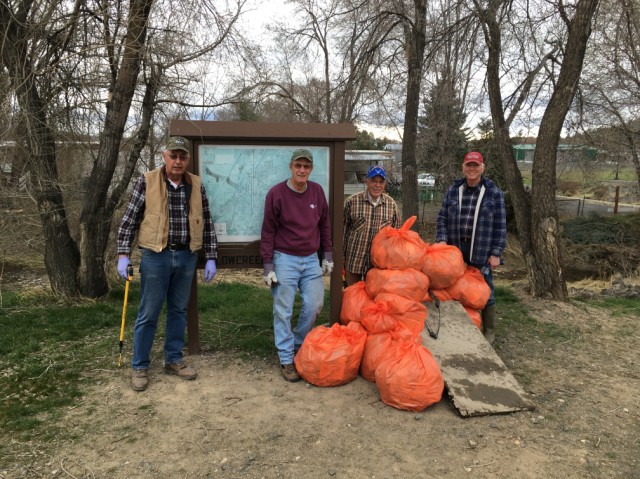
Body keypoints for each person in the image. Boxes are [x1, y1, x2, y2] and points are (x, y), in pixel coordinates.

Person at [117, 136, 218, 391]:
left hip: (186, 256)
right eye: (173, 155)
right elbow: (129, 220)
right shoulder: (147, 181)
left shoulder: (195, 185)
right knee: (148, 313)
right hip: (155, 256)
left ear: (188, 159)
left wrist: (211, 257)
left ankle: (173, 359)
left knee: (178, 311)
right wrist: (123, 255)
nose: (178, 161)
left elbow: (206, 221)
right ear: (164, 156)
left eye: (182, 156)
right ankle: (140, 365)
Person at [260, 148, 333, 382]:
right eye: (298, 166)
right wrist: (268, 266)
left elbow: (325, 226)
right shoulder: (277, 194)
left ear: (311, 169)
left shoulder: (317, 192)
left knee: (314, 305)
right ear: (291, 167)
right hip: (284, 258)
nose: (302, 170)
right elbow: (268, 231)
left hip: (311, 258)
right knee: (283, 310)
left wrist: (327, 255)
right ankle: (286, 358)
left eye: (307, 166)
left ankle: (299, 345)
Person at [435, 151, 506, 344]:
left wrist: (496, 253)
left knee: (485, 288)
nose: (472, 169)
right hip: (455, 249)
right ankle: (458, 325)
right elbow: (442, 218)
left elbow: (500, 225)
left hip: (481, 248)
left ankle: (489, 330)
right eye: (469, 165)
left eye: (476, 165)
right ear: (463, 167)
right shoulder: (453, 190)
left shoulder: (493, 192)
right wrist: (441, 240)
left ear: (482, 168)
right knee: (455, 287)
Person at [343, 165, 400, 286]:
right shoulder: (352, 201)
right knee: (352, 299)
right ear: (366, 181)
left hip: (378, 266)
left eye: (381, 182)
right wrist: (341, 259)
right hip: (354, 262)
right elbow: (342, 232)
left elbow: (397, 238)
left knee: (374, 301)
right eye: (373, 181)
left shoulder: (392, 205)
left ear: (385, 184)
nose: (377, 185)